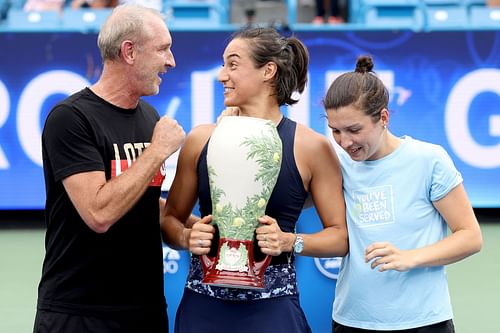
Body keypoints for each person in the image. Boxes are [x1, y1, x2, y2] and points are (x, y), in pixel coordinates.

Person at [161, 27, 348, 333]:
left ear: (268, 71)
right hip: (202, 310)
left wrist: (290, 241)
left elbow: (340, 237)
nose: (222, 75)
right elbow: (171, 220)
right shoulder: (200, 139)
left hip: (273, 313)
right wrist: (185, 239)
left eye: (232, 65)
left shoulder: (311, 147)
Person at [34, 4, 185, 332]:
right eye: (163, 49)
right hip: (79, 313)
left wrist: (188, 228)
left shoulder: (149, 118)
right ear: (129, 51)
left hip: (144, 310)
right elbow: (98, 213)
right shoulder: (70, 118)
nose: (171, 61)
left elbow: (142, 201)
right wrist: (156, 152)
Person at [323, 55, 483, 332]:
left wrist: (410, 257)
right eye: (335, 130)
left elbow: (470, 236)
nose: (345, 142)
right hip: (352, 320)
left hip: (425, 322)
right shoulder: (336, 165)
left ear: (383, 117)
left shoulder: (429, 159)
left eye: (354, 129)